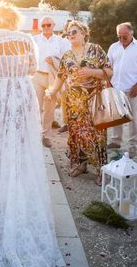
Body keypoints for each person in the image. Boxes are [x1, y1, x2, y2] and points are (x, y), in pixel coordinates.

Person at [0, 3, 65, 267]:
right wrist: (16, 74)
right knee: (21, 142)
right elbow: (33, 68)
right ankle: (18, 182)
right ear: (15, 19)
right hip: (22, 90)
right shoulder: (27, 39)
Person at [46, 21, 112, 183]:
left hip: (94, 100)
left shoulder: (96, 49)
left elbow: (109, 71)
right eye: (68, 33)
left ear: (83, 32)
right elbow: (61, 76)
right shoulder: (67, 55)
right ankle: (81, 164)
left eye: (74, 31)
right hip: (74, 102)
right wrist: (52, 91)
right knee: (76, 133)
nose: (71, 34)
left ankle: (101, 169)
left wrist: (92, 72)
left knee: (98, 135)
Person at [106, 22, 137, 158]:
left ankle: (133, 146)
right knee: (117, 118)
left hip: (132, 89)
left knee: (133, 120)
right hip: (116, 88)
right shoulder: (113, 47)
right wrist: (108, 84)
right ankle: (116, 141)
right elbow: (108, 67)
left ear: (132, 33)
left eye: (124, 36)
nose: (121, 39)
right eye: (119, 36)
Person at [32, 16, 70, 147]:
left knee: (49, 108)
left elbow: (66, 61)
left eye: (48, 25)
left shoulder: (62, 42)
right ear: (40, 27)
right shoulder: (34, 40)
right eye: (43, 25)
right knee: (35, 107)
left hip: (53, 77)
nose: (46, 27)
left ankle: (46, 135)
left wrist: (54, 60)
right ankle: (34, 134)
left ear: (54, 25)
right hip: (37, 76)